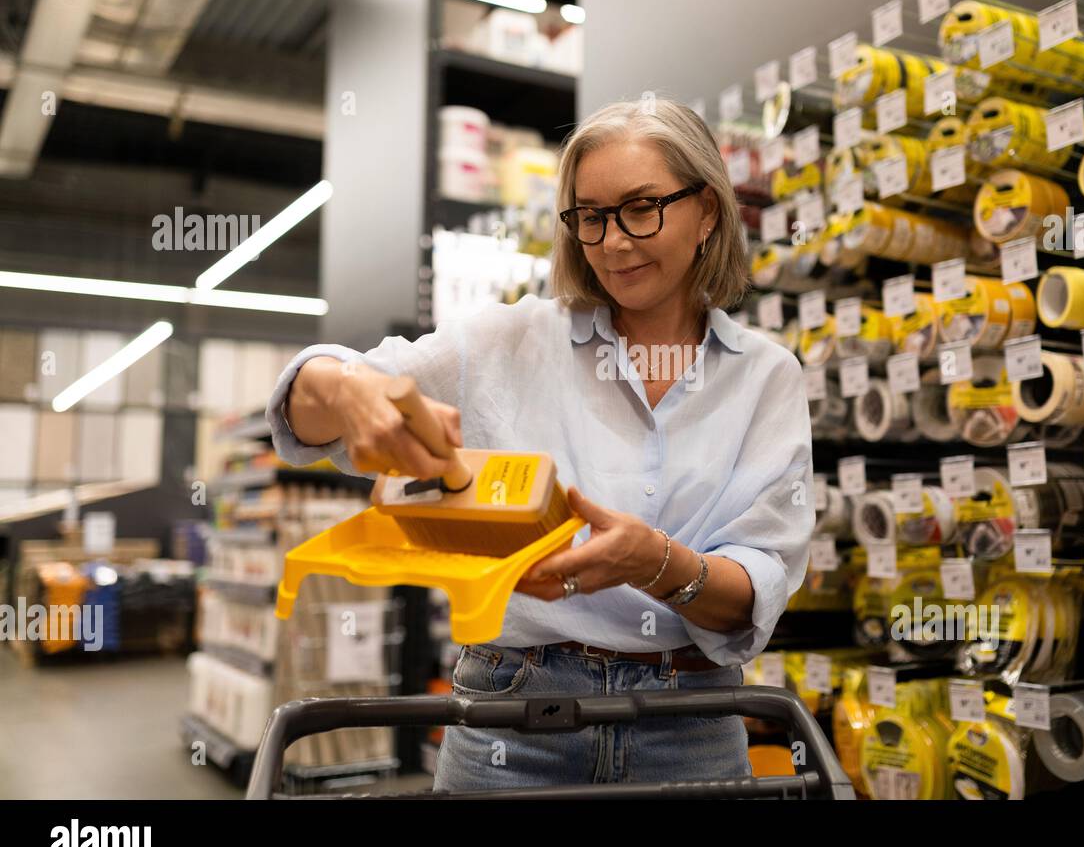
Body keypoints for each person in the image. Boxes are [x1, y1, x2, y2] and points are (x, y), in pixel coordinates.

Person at [266, 96, 813, 791]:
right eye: (591, 216)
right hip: (515, 718)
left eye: (641, 208)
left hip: (691, 721)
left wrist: (658, 564)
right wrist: (344, 388)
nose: (614, 242)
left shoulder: (765, 377)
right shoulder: (508, 341)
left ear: (707, 210)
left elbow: (756, 588)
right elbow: (311, 406)